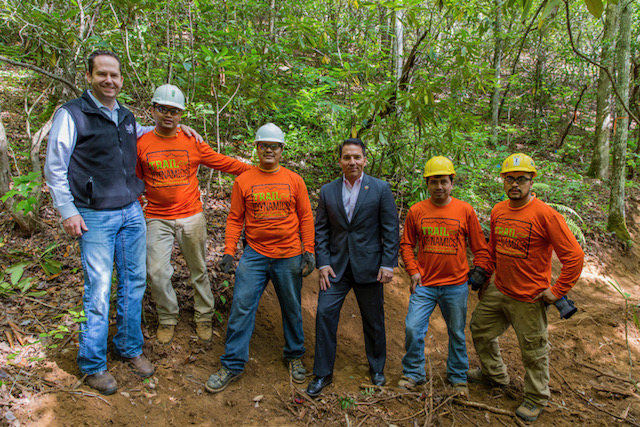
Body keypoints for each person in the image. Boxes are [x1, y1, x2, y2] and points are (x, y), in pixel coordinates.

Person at [44, 50, 202, 395]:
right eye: (102, 74)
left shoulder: (126, 117)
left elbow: (145, 131)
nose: (109, 80)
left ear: (120, 79)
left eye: (114, 75)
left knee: (134, 282)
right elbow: (55, 168)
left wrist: (176, 126)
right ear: (89, 76)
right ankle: (93, 364)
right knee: (99, 289)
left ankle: (129, 347)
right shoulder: (72, 115)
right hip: (95, 215)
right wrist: (67, 211)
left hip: (131, 211)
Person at [469, 153, 584, 422]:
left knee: (533, 350)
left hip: (530, 296)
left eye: (521, 179)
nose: (515, 184)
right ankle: (494, 375)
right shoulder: (499, 210)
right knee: (480, 329)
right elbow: (494, 249)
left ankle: (535, 397)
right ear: (503, 181)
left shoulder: (546, 215)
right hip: (500, 288)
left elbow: (574, 256)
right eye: (509, 179)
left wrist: (557, 290)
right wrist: (486, 278)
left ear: (532, 181)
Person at [136, 84, 252, 344]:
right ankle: (167, 317)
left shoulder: (192, 141)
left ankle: (204, 315)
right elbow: (134, 180)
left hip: (191, 215)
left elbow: (222, 161)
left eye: (174, 111)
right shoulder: (142, 143)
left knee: (198, 268)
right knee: (156, 272)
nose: (168, 115)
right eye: (163, 109)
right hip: (156, 216)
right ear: (152, 110)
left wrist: (255, 171)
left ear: (181, 115)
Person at [205, 123, 315, 393]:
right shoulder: (244, 180)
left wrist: (309, 249)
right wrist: (229, 251)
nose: (269, 150)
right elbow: (235, 218)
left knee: (291, 308)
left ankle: (294, 355)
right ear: (256, 148)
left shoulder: (294, 180)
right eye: (264, 145)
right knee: (242, 306)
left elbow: (305, 216)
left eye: (274, 146)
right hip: (254, 255)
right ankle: (232, 363)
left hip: (288, 254)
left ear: (281, 150)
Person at [306, 138, 399, 397]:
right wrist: (322, 262)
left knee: (374, 320)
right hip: (335, 268)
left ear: (365, 159)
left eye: (357, 157)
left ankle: (377, 368)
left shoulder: (380, 189)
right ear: (340, 161)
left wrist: (388, 263)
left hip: (369, 266)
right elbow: (321, 230)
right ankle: (323, 374)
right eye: (347, 157)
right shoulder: (328, 191)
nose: (352, 162)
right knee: (324, 314)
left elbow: (391, 229)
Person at [398, 156, 492, 397]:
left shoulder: (465, 210)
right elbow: (407, 244)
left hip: (455, 284)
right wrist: (413, 270)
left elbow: (480, 247)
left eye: (443, 181)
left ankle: (458, 376)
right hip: (425, 284)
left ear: (452, 182)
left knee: (456, 332)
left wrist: (480, 271)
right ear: (426, 184)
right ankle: (413, 373)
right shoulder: (416, 211)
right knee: (412, 328)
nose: (439, 187)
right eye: (433, 182)